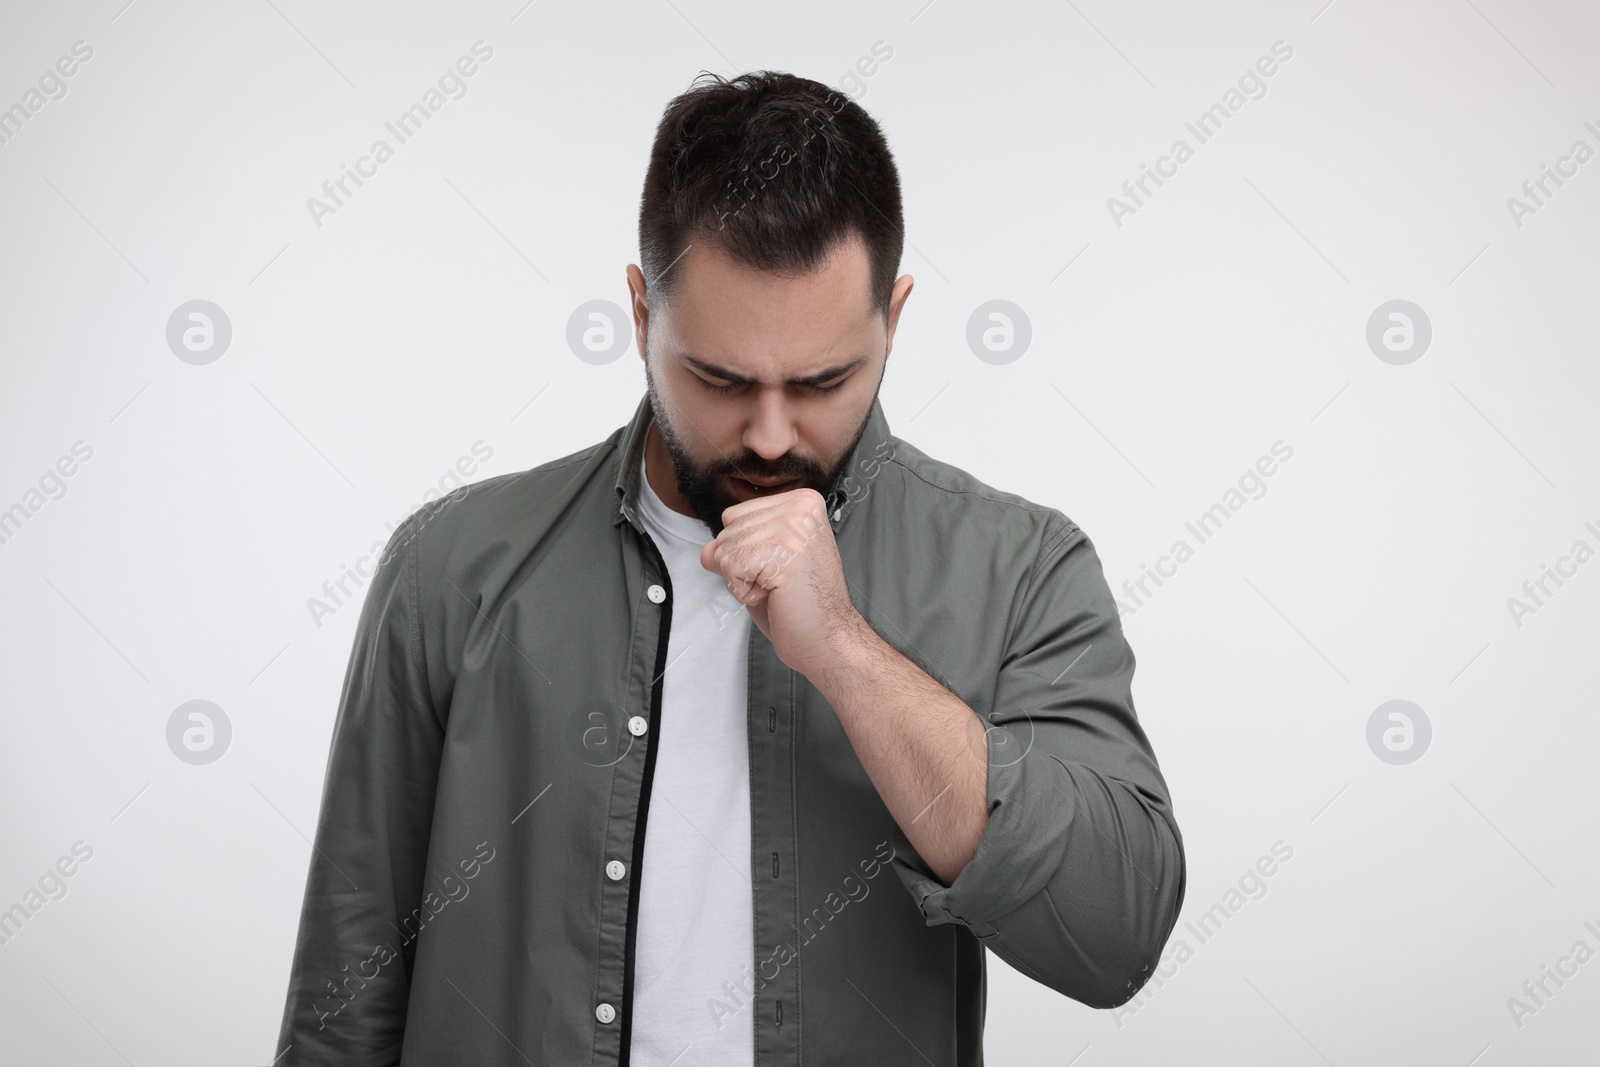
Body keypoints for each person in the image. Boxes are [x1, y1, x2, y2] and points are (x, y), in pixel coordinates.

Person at [275, 70, 1185, 1067]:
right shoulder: (449, 567)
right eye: (716, 377)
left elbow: (1114, 936)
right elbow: (345, 998)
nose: (768, 432)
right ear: (638, 312)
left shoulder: (1018, 567)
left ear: (895, 319)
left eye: (824, 380)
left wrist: (841, 648)